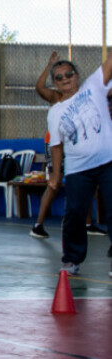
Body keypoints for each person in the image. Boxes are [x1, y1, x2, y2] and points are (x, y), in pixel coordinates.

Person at [46, 54, 112, 276]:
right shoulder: (55, 112)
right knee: (74, 213)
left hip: (108, 162)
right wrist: (56, 174)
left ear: (77, 75)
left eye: (68, 74)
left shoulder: (93, 86)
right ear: (54, 83)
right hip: (78, 169)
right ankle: (71, 260)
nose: (65, 78)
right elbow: (56, 146)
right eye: (59, 77)